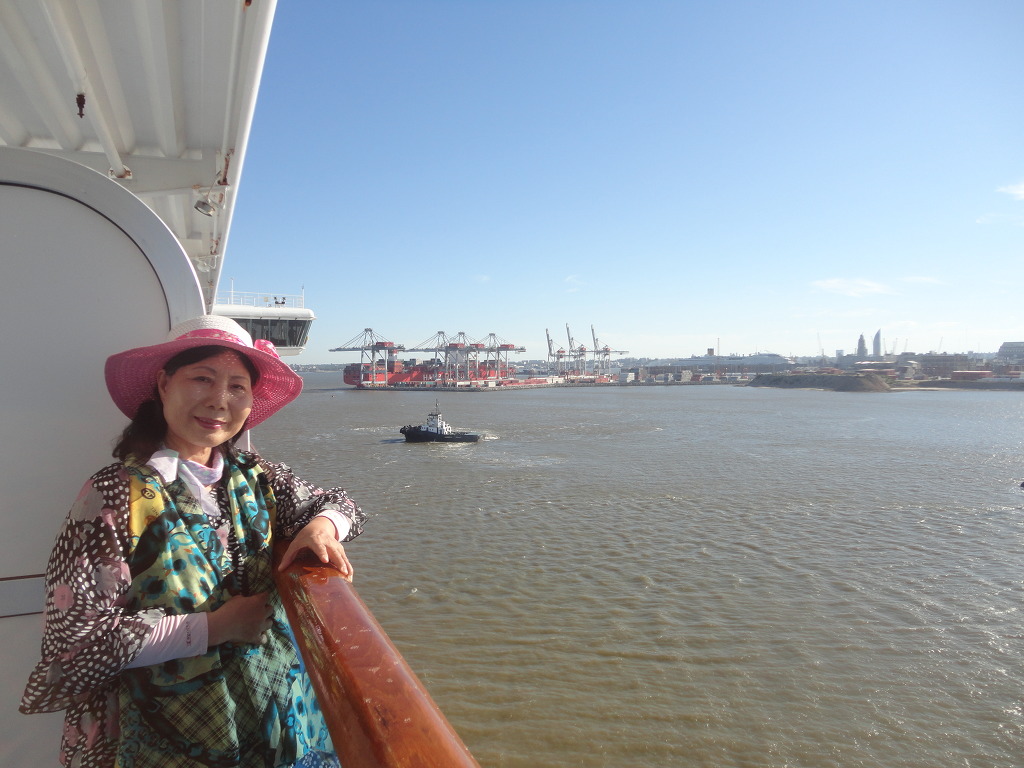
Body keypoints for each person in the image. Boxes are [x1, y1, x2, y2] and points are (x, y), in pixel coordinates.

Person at [20, 315, 366, 768]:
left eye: (237, 387)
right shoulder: (113, 495)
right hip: (155, 734)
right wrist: (215, 627)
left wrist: (320, 528)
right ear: (164, 384)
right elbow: (76, 645)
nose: (219, 400)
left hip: (268, 720)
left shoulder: (255, 476)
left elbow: (340, 503)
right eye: (202, 378)